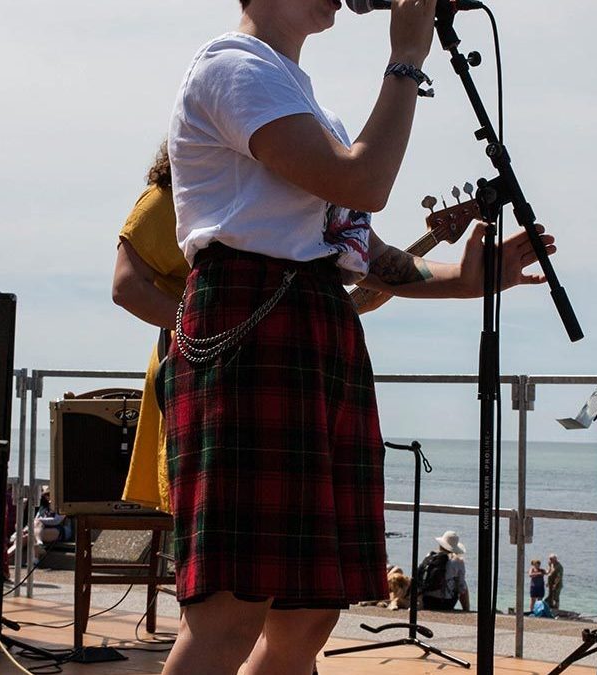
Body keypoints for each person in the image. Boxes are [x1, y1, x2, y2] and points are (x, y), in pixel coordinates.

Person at [161, 1, 556, 673]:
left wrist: (465, 278)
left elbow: (356, 248)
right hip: (252, 327)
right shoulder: (232, 67)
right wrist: (406, 58)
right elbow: (362, 181)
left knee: (309, 612)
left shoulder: (307, 106)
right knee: (230, 609)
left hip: (309, 325)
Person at [112, 142, 190, 513]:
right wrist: (203, 323)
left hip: (255, 358)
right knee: (195, 506)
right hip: (190, 359)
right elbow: (126, 286)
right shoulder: (167, 198)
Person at [418, 530, 470, 611]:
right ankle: (466, 609)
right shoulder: (458, 561)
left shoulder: (430, 556)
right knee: (463, 584)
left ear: (441, 545)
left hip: (426, 600)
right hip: (445, 603)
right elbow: (461, 588)